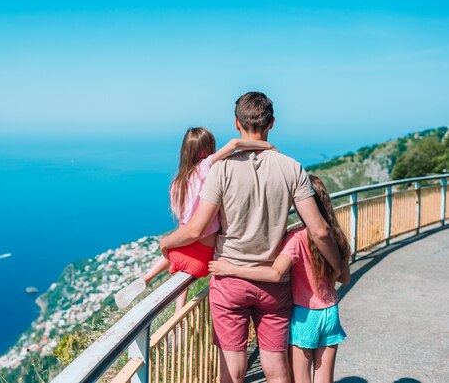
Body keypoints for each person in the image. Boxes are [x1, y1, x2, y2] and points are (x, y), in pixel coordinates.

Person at [159, 92, 344, 383]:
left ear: (236, 123)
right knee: (276, 366)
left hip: (229, 279)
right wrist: (338, 269)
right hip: (273, 282)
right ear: (272, 123)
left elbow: (196, 229)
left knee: (233, 370)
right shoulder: (291, 168)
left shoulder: (220, 170)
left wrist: (166, 243)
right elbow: (320, 230)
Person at [114, 127, 276, 311]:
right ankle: (177, 309)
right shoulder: (205, 167)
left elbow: (184, 223)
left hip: (181, 245)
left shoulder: (177, 183)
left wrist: (167, 243)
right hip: (204, 252)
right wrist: (267, 145)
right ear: (205, 149)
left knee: (179, 252)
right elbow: (234, 144)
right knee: (187, 263)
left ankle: (147, 278)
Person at [209, 175, 351, 383]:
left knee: (301, 379)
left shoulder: (296, 238)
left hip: (305, 314)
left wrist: (231, 268)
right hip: (330, 311)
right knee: (324, 378)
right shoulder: (337, 237)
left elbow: (275, 274)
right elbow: (344, 278)